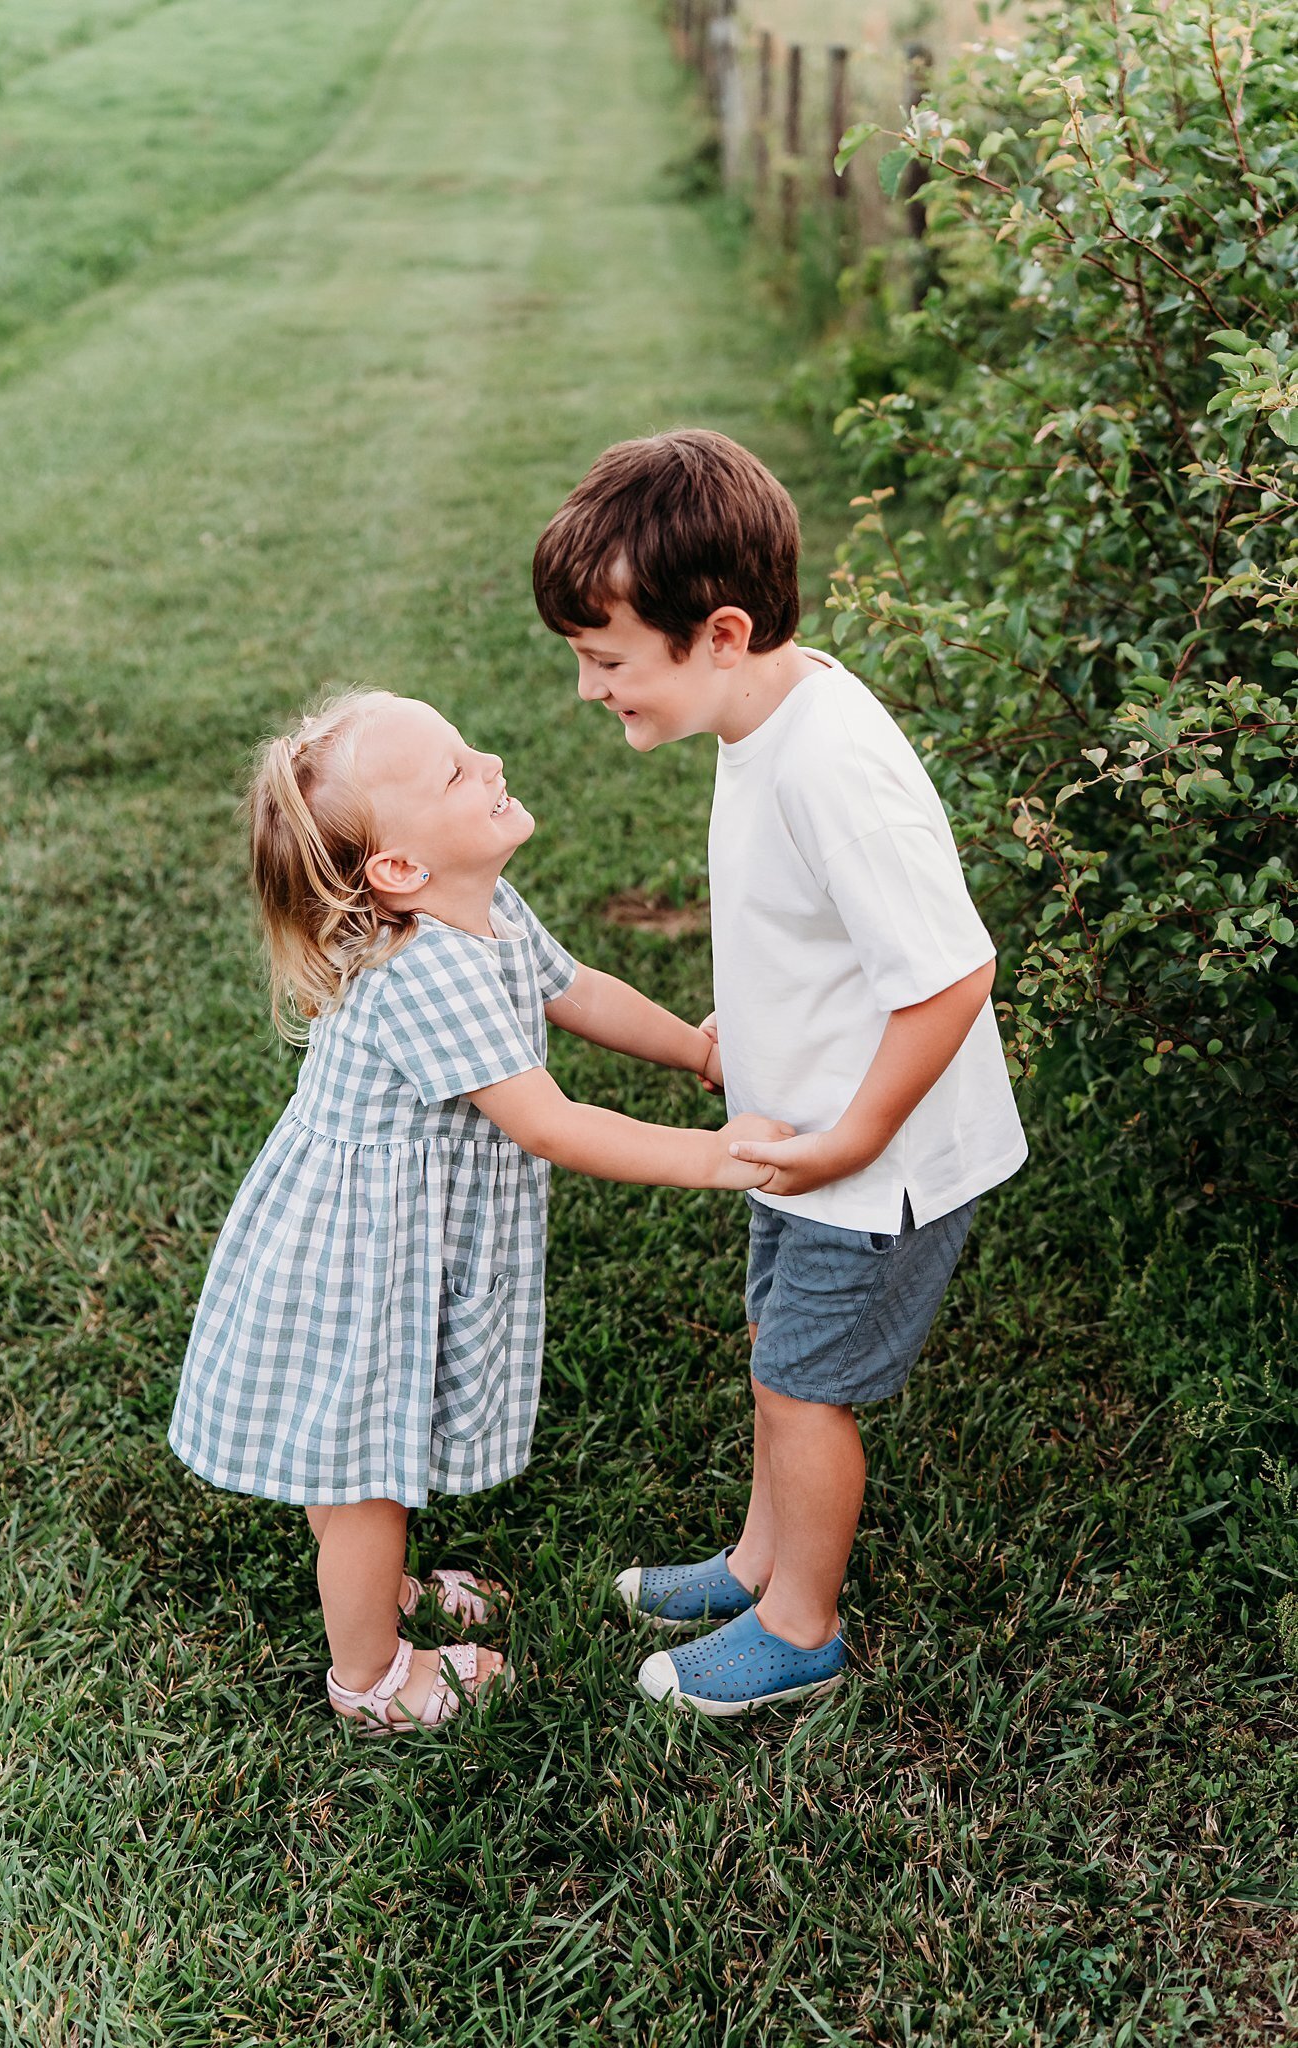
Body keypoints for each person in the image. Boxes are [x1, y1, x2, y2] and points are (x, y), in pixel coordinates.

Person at [167, 688, 788, 1736]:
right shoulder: (423, 967)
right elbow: (548, 1122)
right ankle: (369, 1675)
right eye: (457, 771)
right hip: (361, 1255)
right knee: (364, 1467)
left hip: (378, 1234)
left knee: (360, 1448)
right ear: (399, 871)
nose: (492, 758)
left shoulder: (482, 910)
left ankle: (383, 1587)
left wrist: (697, 1046)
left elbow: (574, 987)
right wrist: (716, 1157)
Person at [534, 428, 1028, 1716]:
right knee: (774, 1347)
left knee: (807, 1386)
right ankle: (758, 1560)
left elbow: (949, 977)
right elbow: (813, 939)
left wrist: (857, 1134)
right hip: (803, 1132)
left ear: (723, 634)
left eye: (606, 662)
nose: (591, 691)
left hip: (878, 1158)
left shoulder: (832, 765)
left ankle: (802, 1624)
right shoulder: (762, 720)